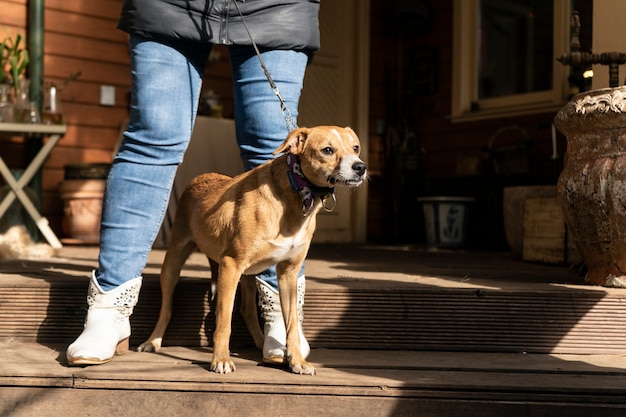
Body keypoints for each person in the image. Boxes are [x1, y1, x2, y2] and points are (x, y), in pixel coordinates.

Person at [66, 0, 320, 366]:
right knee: (152, 139)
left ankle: (280, 315)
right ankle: (110, 307)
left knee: (273, 147)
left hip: (276, 6)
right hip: (171, 4)